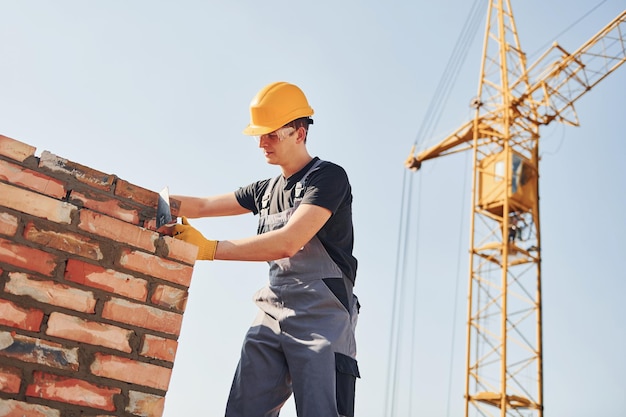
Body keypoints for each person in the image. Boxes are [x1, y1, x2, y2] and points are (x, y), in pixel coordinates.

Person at [169, 81, 360, 417]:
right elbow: (200, 206)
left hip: (323, 317)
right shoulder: (265, 190)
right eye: (259, 134)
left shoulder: (327, 178)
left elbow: (288, 242)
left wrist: (210, 249)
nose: (261, 143)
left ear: (299, 133)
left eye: (271, 134)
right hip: (272, 311)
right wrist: (145, 200)